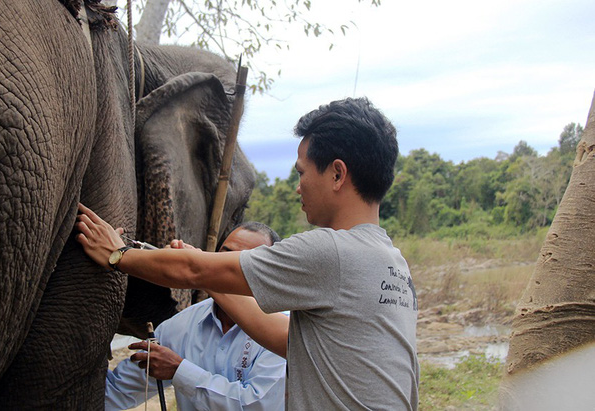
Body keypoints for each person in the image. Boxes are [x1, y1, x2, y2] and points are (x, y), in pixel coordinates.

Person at [77, 97, 419, 410]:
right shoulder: (392, 263)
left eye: (301, 172)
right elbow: (290, 342)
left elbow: (193, 271)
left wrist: (118, 255)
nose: (298, 186)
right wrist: (213, 277)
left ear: (337, 173)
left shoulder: (332, 252)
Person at [104, 222, 286, 410]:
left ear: (269, 275)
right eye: (225, 256)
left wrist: (179, 371)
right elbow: (116, 391)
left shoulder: (285, 332)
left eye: (245, 262)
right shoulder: (180, 326)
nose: (229, 267)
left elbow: (258, 405)